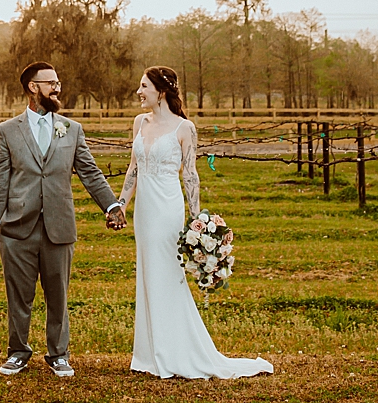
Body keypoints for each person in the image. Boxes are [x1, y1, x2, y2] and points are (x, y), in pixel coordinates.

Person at [110, 65, 274, 379]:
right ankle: (148, 354)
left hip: (168, 209)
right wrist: (121, 206)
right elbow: (133, 169)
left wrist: (196, 222)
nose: (138, 92)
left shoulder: (185, 128)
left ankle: (173, 352)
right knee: (148, 273)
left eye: (143, 86)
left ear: (160, 91)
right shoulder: (139, 123)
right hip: (144, 210)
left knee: (167, 274)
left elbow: (190, 176)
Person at [0, 60, 125, 377]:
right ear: (33, 87)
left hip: (59, 226)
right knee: (19, 296)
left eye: (58, 82)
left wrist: (111, 205)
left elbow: (89, 172)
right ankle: (18, 352)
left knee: (58, 295)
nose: (57, 87)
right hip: (16, 228)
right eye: (51, 82)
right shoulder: (8, 130)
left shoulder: (71, 129)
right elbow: (0, 178)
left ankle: (58, 354)